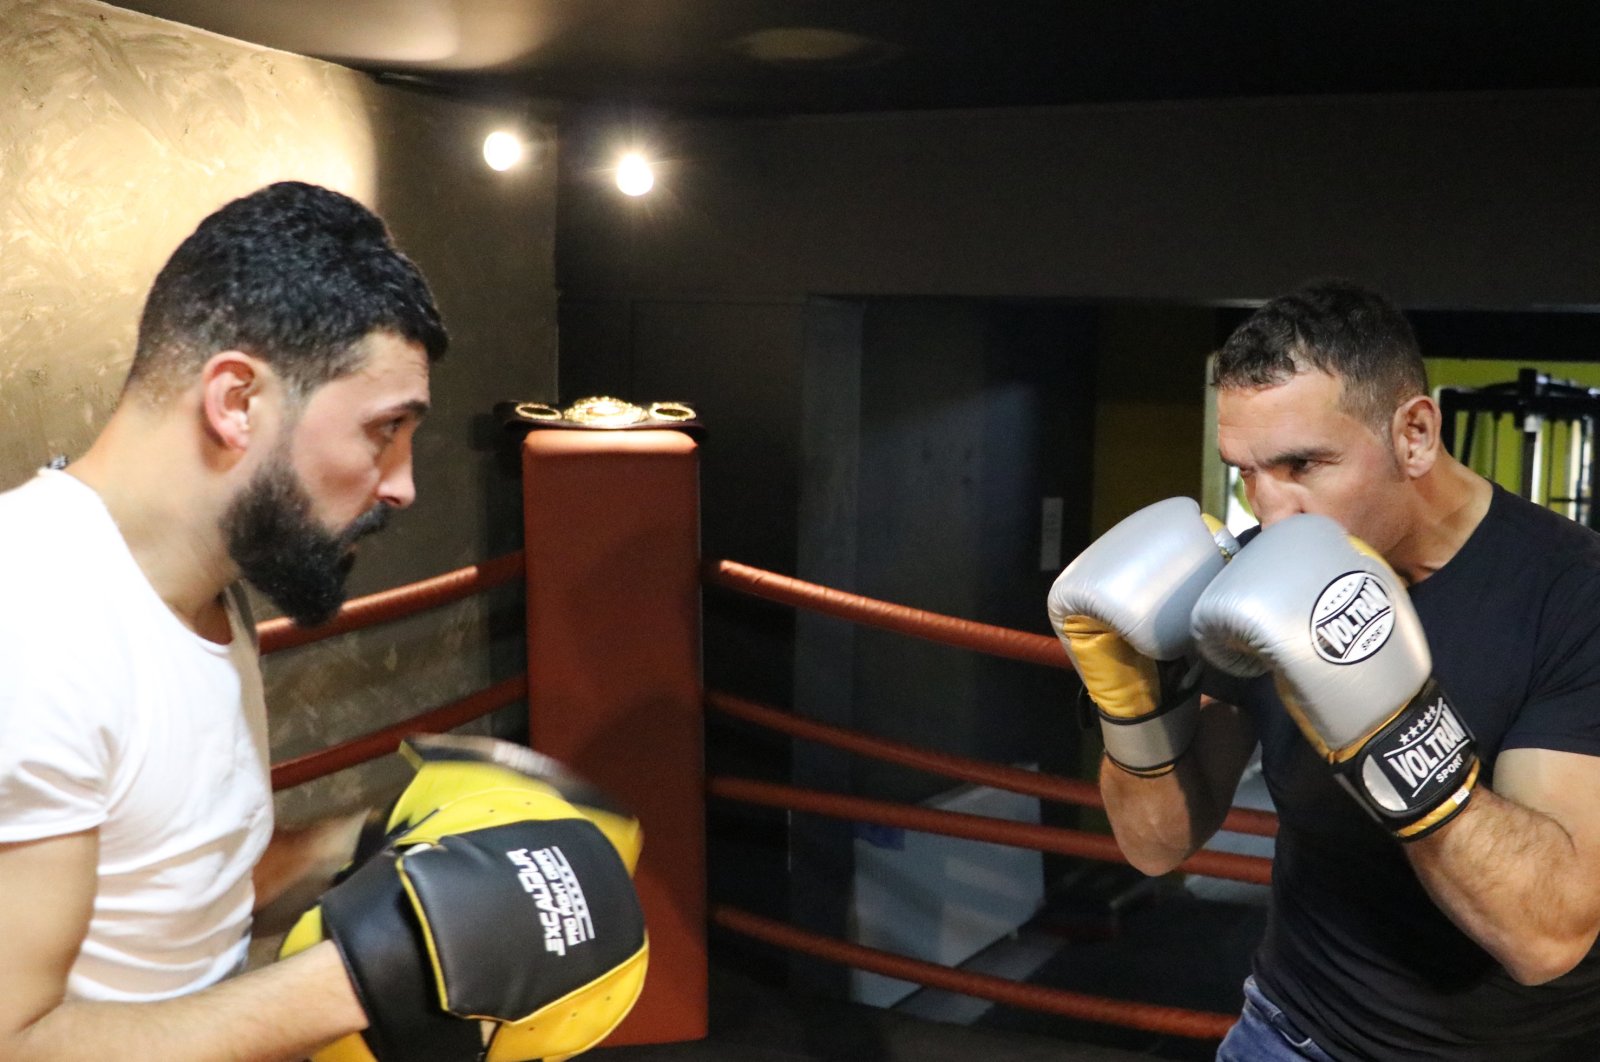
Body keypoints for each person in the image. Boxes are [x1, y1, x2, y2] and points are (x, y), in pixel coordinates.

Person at [1052, 281, 1600, 1060]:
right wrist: (1135, 707)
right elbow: (1157, 846)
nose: (1270, 511)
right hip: (1289, 1033)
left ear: (1414, 434)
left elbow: (1548, 936)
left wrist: (1394, 731)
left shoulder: (1572, 597)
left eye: (1303, 463)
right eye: (1245, 471)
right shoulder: (1261, 577)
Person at [0, 181, 444, 1058]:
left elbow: (178, 894)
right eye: (383, 429)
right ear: (237, 401)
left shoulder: (209, 593)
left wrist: (397, 836)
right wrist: (367, 975)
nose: (401, 484)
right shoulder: (34, 624)